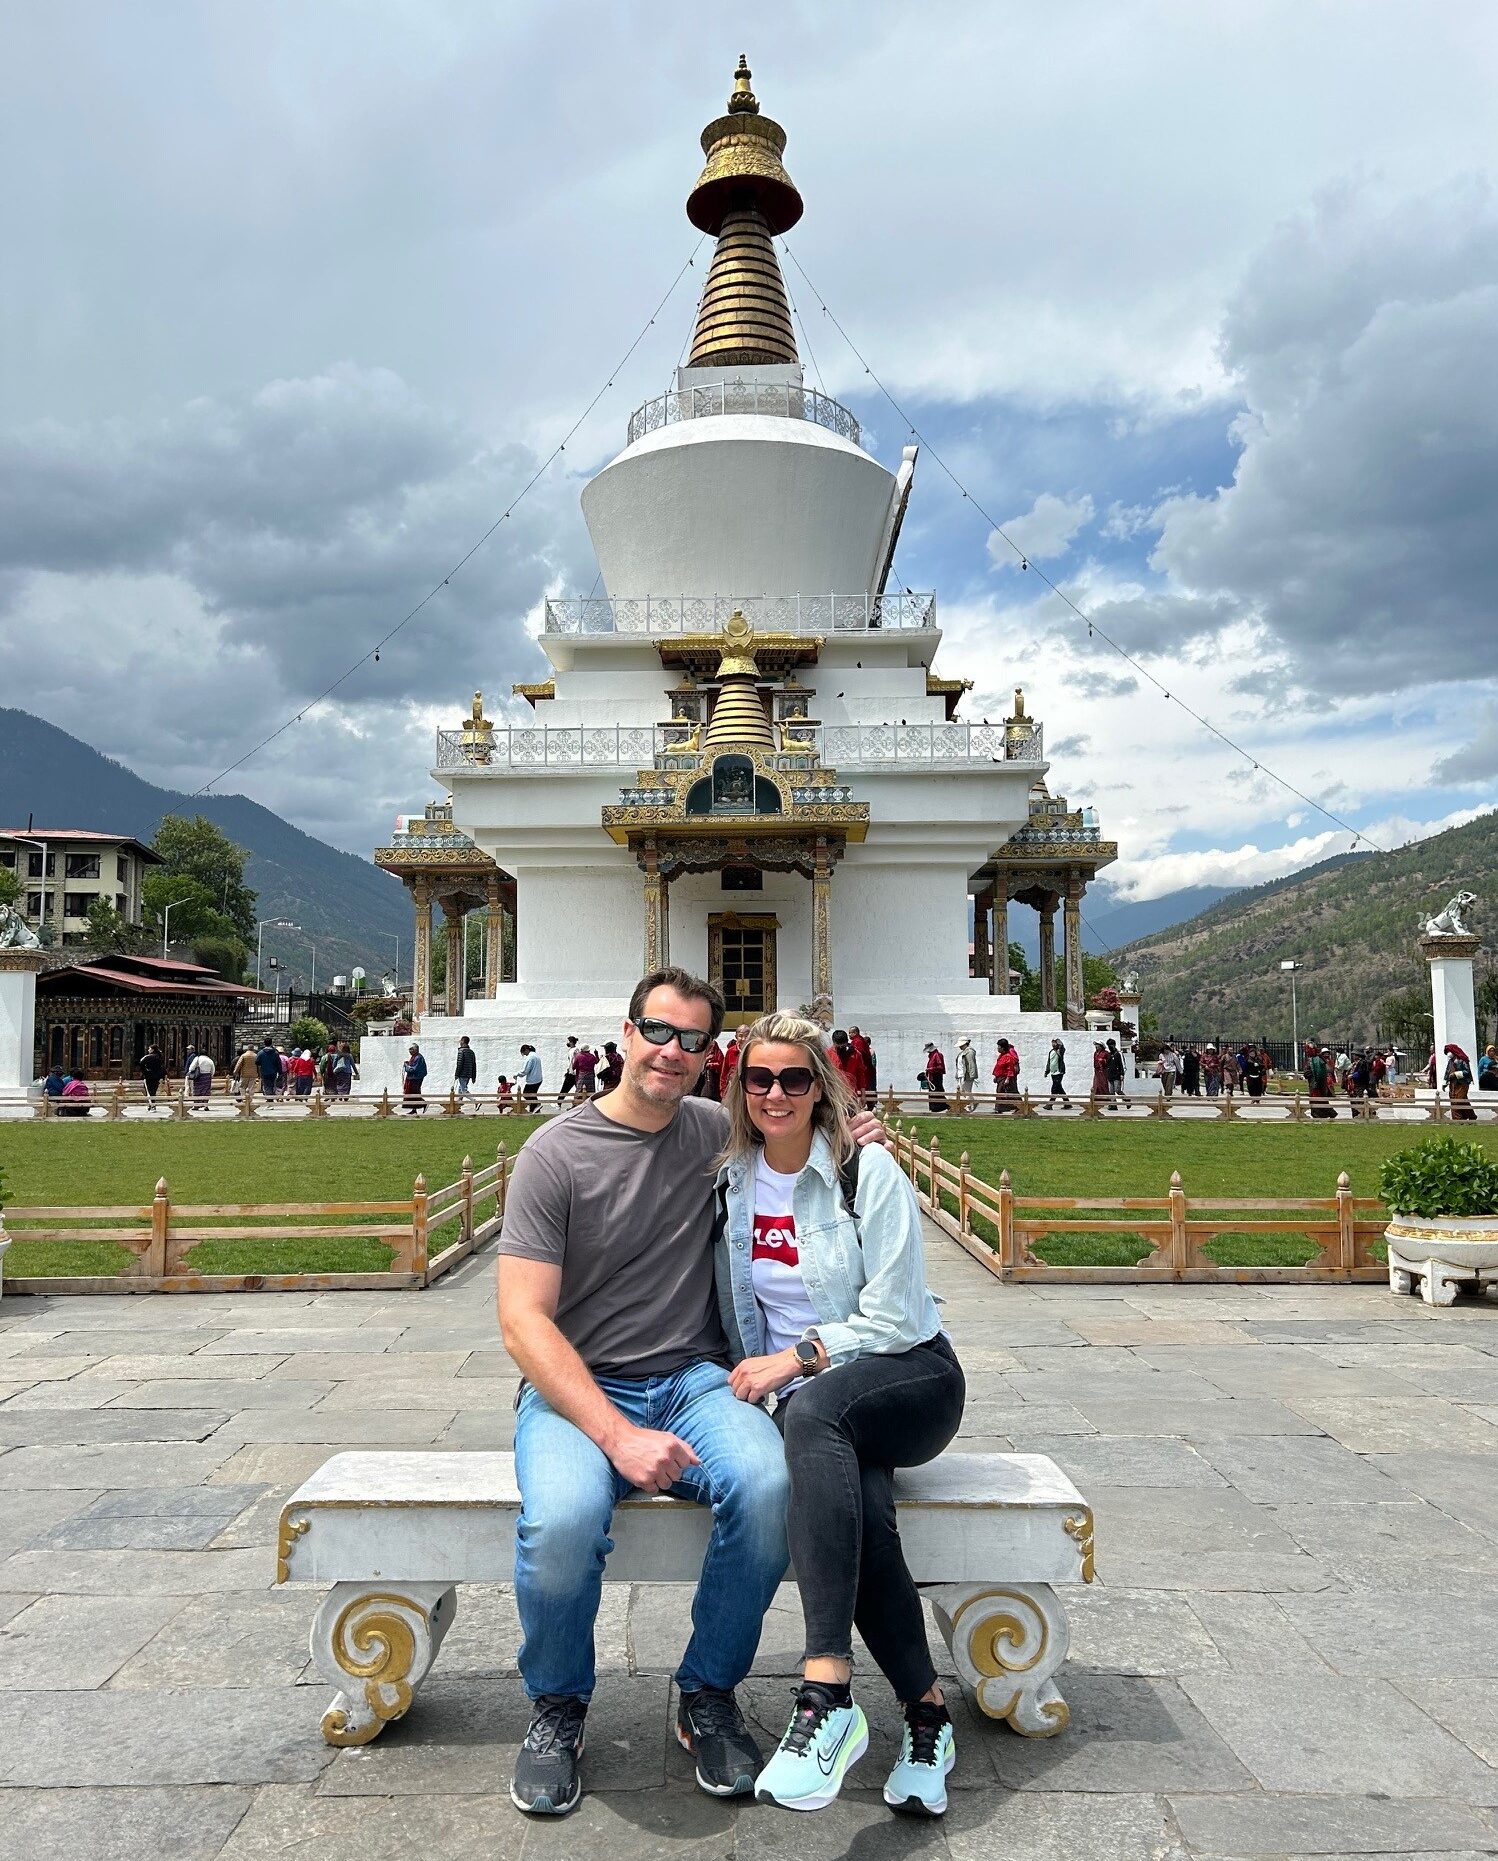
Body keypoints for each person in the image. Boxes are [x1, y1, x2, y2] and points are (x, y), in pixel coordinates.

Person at [494, 967, 888, 1818]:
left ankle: (706, 1690)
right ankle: (557, 1707)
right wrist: (615, 1437)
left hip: (694, 1378)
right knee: (560, 1521)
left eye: (695, 1040)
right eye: (658, 1032)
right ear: (626, 1034)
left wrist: (851, 1135)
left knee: (771, 1484)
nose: (673, 1052)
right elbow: (523, 1322)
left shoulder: (718, 1133)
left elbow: (796, 1125)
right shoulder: (553, 1154)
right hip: (577, 1386)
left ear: (711, 1056)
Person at [716, 1013, 965, 1816]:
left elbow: (895, 1319)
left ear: (823, 1084)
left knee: (815, 1412)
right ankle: (928, 1717)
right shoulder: (733, 1180)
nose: (777, 1093)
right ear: (741, 1088)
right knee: (861, 1514)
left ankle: (826, 1689)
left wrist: (795, 1359)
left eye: (796, 1077)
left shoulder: (868, 1171)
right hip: (817, 1407)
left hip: (909, 1376)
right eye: (761, 1078)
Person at [829, 1029, 865, 1102]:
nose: (840, 1049)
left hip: (850, 1095)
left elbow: (861, 1076)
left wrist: (863, 1095)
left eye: (843, 1046)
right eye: (838, 1047)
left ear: (847, 1042)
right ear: (833, 1042)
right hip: (834, 1096)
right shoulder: (828, 1054)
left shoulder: (856, 1055)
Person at [1444, 1043, 1476, 1120]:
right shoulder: (1450, 1061)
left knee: (1458, 1101)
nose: (1448, 1053)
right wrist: (1444, 1082)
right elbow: (1447, 1072)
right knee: (1456, 1100)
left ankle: (1463, 1118)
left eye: (1449, 1051)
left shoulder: (1463, 1060)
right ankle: (1465, 1118)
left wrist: (1455, 1074)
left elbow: (1467, 1072)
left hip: (1462, 1084)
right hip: (1453, 1084)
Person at [1306, 1045, 1337, 1118]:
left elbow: (1322, 1073)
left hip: (1319, 1085)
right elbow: (1308, 1070)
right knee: (1316, 1101)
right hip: (1314, 1084)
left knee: (1320, 1100)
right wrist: (1307, 1073)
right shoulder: (1311, 1060)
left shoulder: (1319, 1060)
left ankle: (1325, 1114)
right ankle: (1319, 1115)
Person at [849, 1027, 876, 1105]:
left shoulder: (858, 1042)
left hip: (864, 1070)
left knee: (863, 1087)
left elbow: (857, 1055)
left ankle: (867, 1104)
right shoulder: (859, 1040)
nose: (849, 1035)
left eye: (851, 1033)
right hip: (865, 1069)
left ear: (856, 1033)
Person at [992, 1036, 1019, 1110]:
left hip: (1004, 1077)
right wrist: (995, 1076)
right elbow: (998, 1066)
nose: (998, 1048)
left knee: (1001, 1092)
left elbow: (1010, 1069)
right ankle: (1002, 1106)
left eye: (999, 1047)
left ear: (1003, 1048)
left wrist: (1007, 1078)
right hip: (999, 1077)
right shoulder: (1001, 1056)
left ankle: (999, 1107)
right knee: (1001, 1092)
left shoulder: (1008, 1057)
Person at [401, 1042, 428, 1114]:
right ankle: (414, 1109)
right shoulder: (414, 1057)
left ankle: (424, 1103)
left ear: (415, 1050)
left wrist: (406, 1066)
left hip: (416, 1079)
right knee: (412, 1093)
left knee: (415, 1093)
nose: (409, 1051)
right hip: (412, 1078)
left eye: (411, 1049)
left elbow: (413, 1069)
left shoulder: (418, 1058)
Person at [922, 1042, 947, 1113]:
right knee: (933, 1091)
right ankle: (935, 1107)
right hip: (932, 1076)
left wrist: (930, 1069)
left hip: (936, 1076)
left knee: (937, 1091)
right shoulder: (932, 1055)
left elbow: (940, 1067)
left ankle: (941, 1106)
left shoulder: (937, 1055)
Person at [139, 1045, 166, 1110]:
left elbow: (141, 1063)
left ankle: (152, 1104)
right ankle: (151, 1104)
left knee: (149, 1090)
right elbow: (162, 1067)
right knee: (154, 1090)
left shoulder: (147, 1057)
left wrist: (145, 1071)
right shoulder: (159, 1057)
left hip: (149, 1076)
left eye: (149, 1049)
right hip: (157, 1076)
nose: (148, 1050)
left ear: (152, 1049)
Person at [517, 1043, 543, 1108]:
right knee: (532, 1095)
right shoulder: (535, 1055)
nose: (525, 1055)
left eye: (524, 1053)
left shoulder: (530, 1057)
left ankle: (537, 1104)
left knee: (526, 1094)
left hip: (533, 1080)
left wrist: (517, 1074)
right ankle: (534, 1109)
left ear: (526, 1050)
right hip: (538, 1079)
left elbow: (526, 1070)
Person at [1045, 1037, 1069, 1107]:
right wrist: (1047, 1071)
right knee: (1059, 1089)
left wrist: (1059, 1042)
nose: (1053, 1044)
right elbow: (1049, 1062)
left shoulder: (1059, 1051)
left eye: (1055, 1043)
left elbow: (1062, 1048)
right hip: (1053, 1073)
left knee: (1054, 1088)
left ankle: (1050, 1105)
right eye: (1052, 1043)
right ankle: (1067, 1104)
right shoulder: (1051, 1052)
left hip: (1059, 1072)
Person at [454, 1034, 478, 1101]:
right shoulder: (471, 1052)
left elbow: (459, 1064)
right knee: (460, 1090)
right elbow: (474, 1065)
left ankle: (475, 1101)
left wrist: (456, 1074)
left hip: (462, 1074)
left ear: (462, 1041)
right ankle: (458, 1105)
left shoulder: (461, 1051)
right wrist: (473, 1077)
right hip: (468, 1074)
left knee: (464, 1090)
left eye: (461, 1041)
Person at [559, 1036, 580, 1104]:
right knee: (577, 1090)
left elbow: (574, 1061)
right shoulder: (573, 1050)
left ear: (571, 1042)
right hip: (574, 1072)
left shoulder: (574, 1050)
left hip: (572, 1073)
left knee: (565, 1088)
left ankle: (558, 1102)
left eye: (568, 1041)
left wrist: (571, 1070)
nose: (567, 1043)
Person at [1106, 1037, 1127, 1105]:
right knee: (1111, 1091)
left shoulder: (1118, 1054)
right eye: (1109, 1045)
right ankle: (1113, 1105)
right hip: (1110, 1075)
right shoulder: (1109, 1055)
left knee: (1117, 1090)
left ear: (1114, 1045)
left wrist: (1122, 1074)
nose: (1110, 1047)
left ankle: (1127, 1100)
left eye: (1111, 1045)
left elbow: (1122, 1065)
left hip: (1117, 1075)